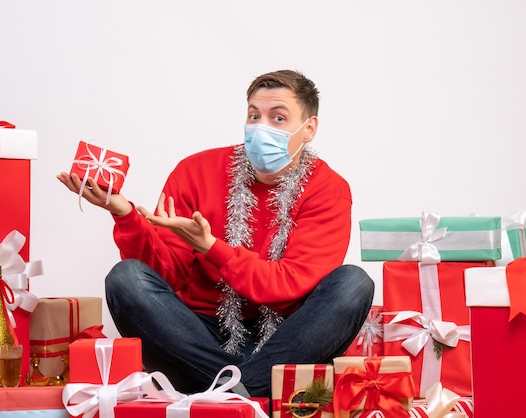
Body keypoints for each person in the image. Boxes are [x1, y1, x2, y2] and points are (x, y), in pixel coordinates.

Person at [57, 69, 374, 398]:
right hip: (198, 337)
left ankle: (228, 394)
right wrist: (124, 215)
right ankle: (247, 392)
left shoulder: (328, 190)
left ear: (309, 129)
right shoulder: (194, 171)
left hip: (287, 339)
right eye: (254, 115)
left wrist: (211, 248)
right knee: (126, 279)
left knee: (353, 283)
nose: (260, 127)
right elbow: (168, 274)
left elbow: (288, 283)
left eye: (277, 118)